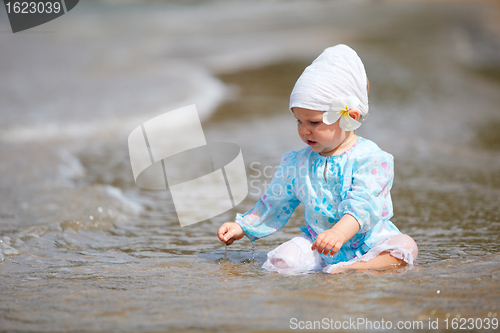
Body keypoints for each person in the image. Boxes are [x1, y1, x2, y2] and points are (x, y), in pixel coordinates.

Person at [217, 44, 418, 274]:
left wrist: (339, 234)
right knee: (280, 261)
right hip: (318, 243)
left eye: (313, 122)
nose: (304, 130)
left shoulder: (371, 159)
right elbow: (274, 202)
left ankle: (356, 267)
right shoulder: (297, 163)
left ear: (348, 117)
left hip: (368, 241)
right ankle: (333, 266)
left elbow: (364, 205)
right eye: (299, 121)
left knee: (405, 248)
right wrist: (243, 227)